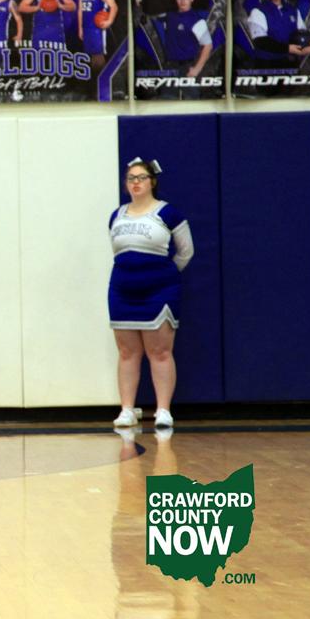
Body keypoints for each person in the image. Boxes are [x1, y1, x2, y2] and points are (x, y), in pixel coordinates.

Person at [109, 158, 194, 431]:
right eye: (131, 178)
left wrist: (163, 276)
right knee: (127, 352)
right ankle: (127, 410)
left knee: (160, 351)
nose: (135, 182)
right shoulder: (117, 215)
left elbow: (186, 251)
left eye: (141, 177)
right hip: (122, 291)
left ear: (152, 182)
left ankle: (163, 410)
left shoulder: (167, 213)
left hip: (159, 292)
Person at [249, 0, 310, 64]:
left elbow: (303, 33)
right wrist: (288, 48)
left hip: (291, 62)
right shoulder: (257, 11)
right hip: (266, 63)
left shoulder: (293, 10)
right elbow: (260, 41)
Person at [78, 0, 118, 68]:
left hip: (98, 28)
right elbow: (80, 11)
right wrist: (80, 28)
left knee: (99, 56)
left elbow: (114, 6)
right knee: (92, 56)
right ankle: (96, 76)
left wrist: (109, 21)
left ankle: (103, 76)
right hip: (87, 28)